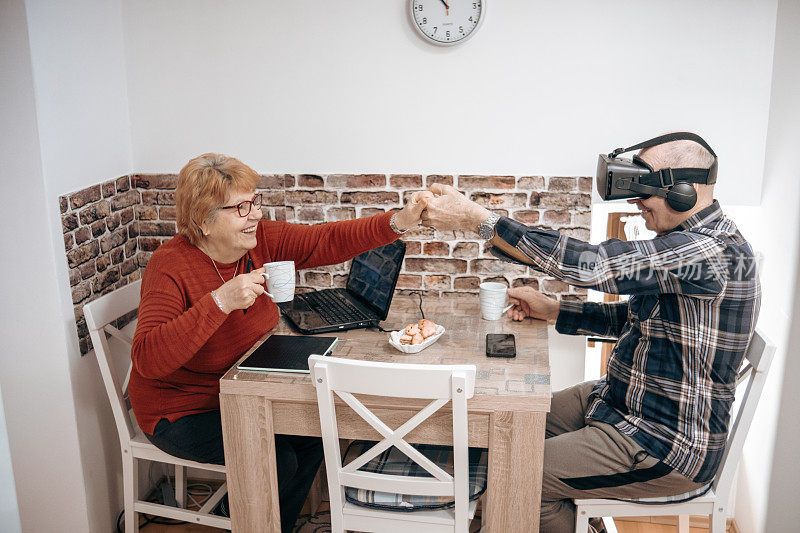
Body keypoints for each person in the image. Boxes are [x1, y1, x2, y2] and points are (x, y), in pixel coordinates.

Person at [420, 137, 760, 532]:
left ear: (684, 192)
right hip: (618, 402)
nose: (636, 203)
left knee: (516, 475)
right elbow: (640, 320)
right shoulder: (687, 245)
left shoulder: (709, 251)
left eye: (646, 193)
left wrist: (477, 219)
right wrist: (555, 310)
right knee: (508, 421)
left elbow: (595, 265)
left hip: (662, 443)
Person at [130, 153, 430, 531]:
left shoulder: (259, 241)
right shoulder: (169, 265)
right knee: (279, 459)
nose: (255, 213)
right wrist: (219, 302)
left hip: (242, 390)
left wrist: (397, 222)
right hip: (182, 410)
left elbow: (327, 240)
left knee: (314, 430)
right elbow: (147, 359)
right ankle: (248, 517)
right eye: (241, 207)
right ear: (203, 221)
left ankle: (271, 523)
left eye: (255, 201)